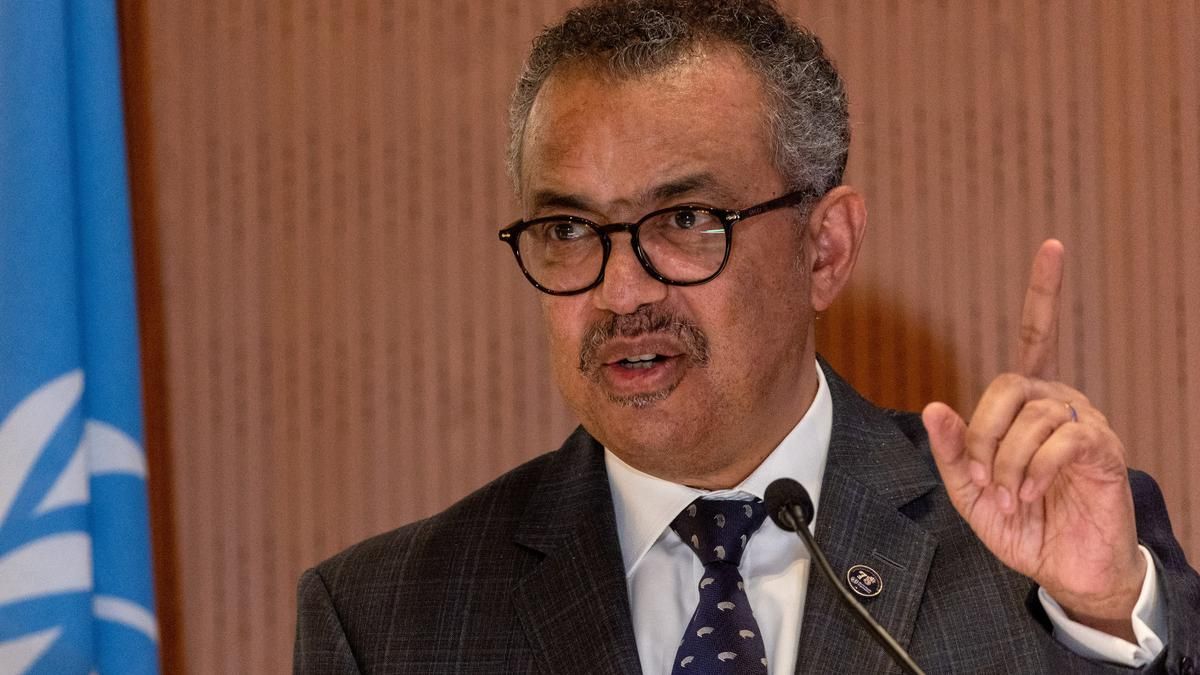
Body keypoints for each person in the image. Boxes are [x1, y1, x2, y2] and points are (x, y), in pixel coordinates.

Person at [294, 1, 1200, 672]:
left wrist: (1104, 616)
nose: (620, 289)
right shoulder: (388, 620)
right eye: (568, 229)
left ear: (824, 248)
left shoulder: (1023, 555)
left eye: (685, 218)